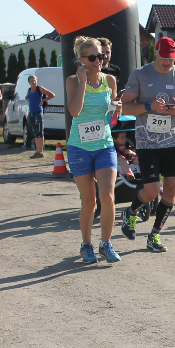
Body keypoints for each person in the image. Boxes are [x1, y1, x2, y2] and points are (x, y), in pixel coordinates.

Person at [119, 37, 175, 252]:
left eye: (171, 59)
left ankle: (154, 235)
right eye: (164, 58)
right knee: (152, 191)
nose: (167, 63)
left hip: (172, 140)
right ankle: (131, 212)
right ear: (155, 52)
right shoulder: (140, 74)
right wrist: (148, 105)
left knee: (171, 191)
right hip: (146, 141)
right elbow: (125, 107)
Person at [65, 36, 122, 264]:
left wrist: (115, 109)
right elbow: (75, 112)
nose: (99, 60)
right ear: (82, 60)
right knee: (89, 202)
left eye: (101, 55)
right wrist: (81, 82)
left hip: (104, 145)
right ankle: (86, 244)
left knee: (108, 196)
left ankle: (106, 243)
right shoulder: (72, 81)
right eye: (93, 57)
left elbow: (110, 117)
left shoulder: (110, 81)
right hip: (79, 147)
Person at [25, 74, 55, 158]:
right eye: (32, 80)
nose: (33, 82)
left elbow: (52, 95)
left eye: (35, 80)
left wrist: (43, 100)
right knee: (34, 132)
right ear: (29, 82)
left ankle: (40, 151)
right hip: (32, 112)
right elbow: (27, 97)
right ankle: (37, 151)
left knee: (39, 131)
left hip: (38, 112)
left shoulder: (39, 89)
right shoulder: (29, 90)